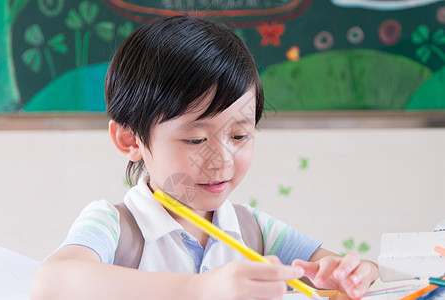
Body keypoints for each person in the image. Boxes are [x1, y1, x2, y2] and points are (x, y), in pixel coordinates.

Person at [30, 15, 379, 300]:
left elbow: (333, 270)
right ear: (130, 139)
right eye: (196, 139)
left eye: (239, 135)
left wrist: (353, 274)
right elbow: (50, 284)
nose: (222, 159)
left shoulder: (253, 228)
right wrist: (201, 289)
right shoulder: (115, 225)